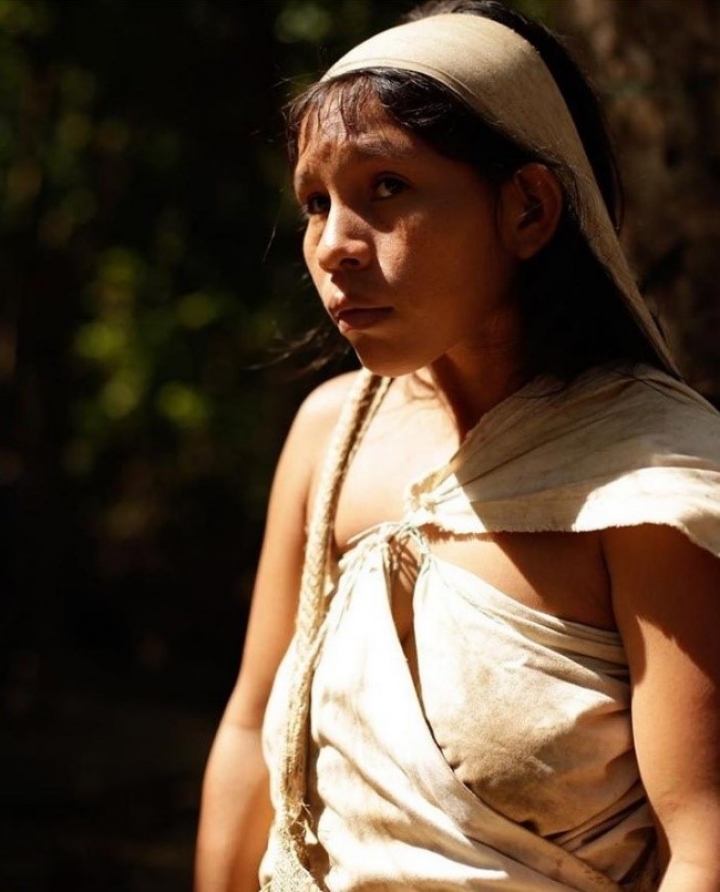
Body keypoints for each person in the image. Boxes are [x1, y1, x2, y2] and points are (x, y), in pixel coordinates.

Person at [195, 1, 720, 890]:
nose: (333, 246)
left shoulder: (658, 484)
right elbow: (252, 730)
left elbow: (701, 841)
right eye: (315, 204)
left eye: (386, 188)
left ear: (528, 208)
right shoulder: (334, 434)